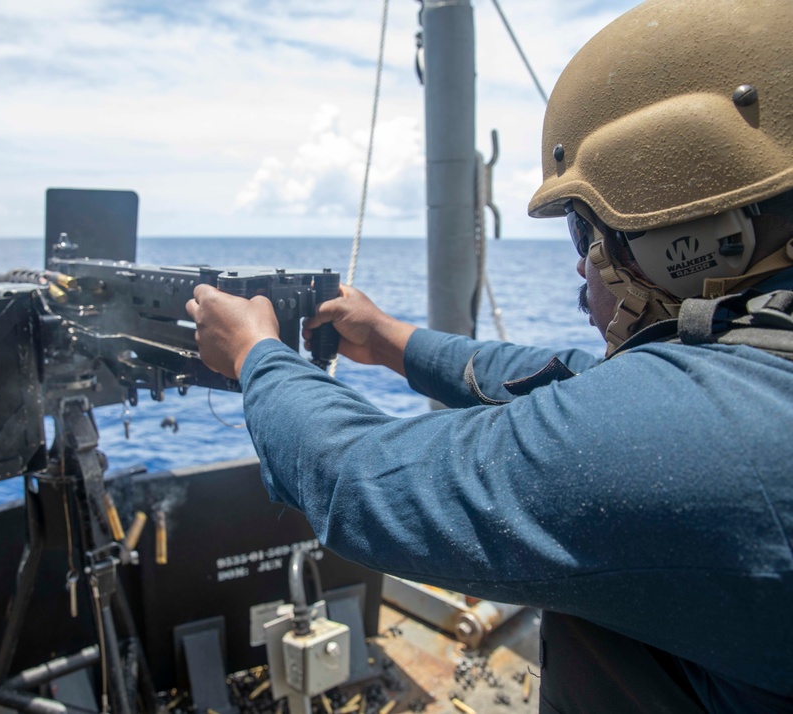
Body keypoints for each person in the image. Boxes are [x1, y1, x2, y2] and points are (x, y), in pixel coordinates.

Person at [186, 1, 793, 711]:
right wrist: (389, 340)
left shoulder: (700, 439)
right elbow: (568, 379)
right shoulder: (755, 374)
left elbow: (355, 480)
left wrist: (255, 354)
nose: (581, 267)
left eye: (584, 231)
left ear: (676, 244)